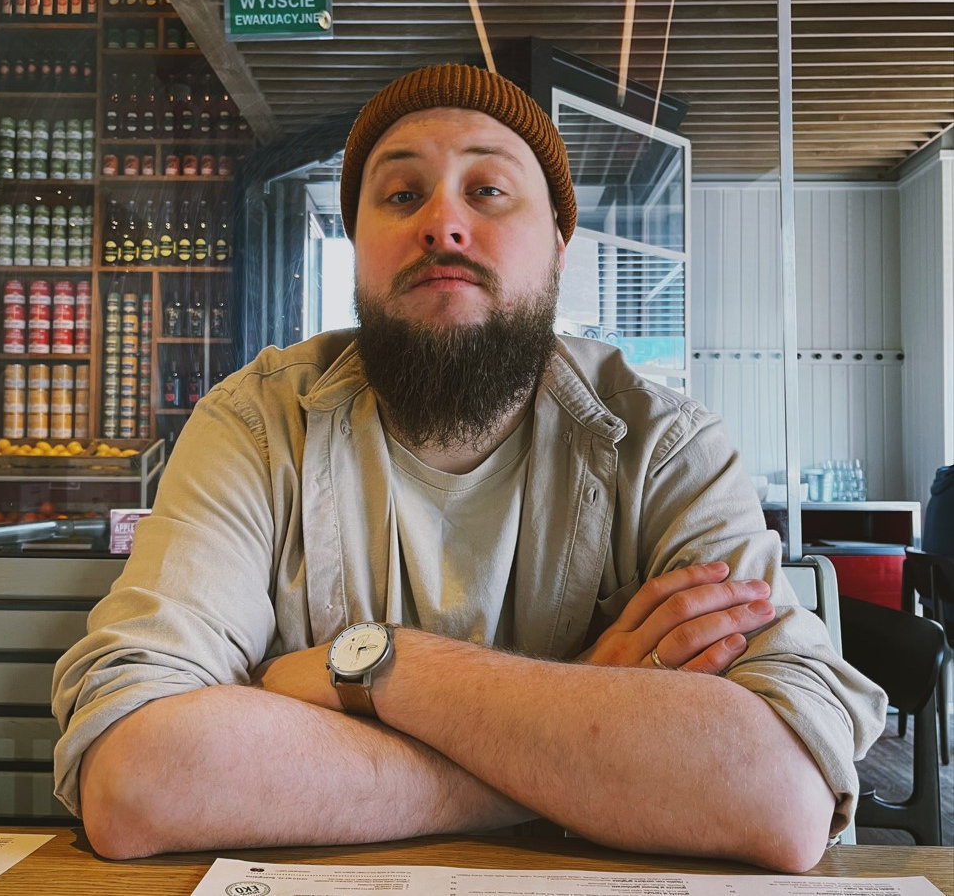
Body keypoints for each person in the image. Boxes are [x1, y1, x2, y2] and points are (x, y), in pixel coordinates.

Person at [52, 63, 886, 872]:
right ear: (358, 245)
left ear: (558, 245)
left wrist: (379, 668)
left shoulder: (667, 447)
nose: (442, 224)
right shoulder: (256, 426)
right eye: (400, 195)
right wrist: (568, 749)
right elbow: (137, 776)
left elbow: (780, 794)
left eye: (487, 191)